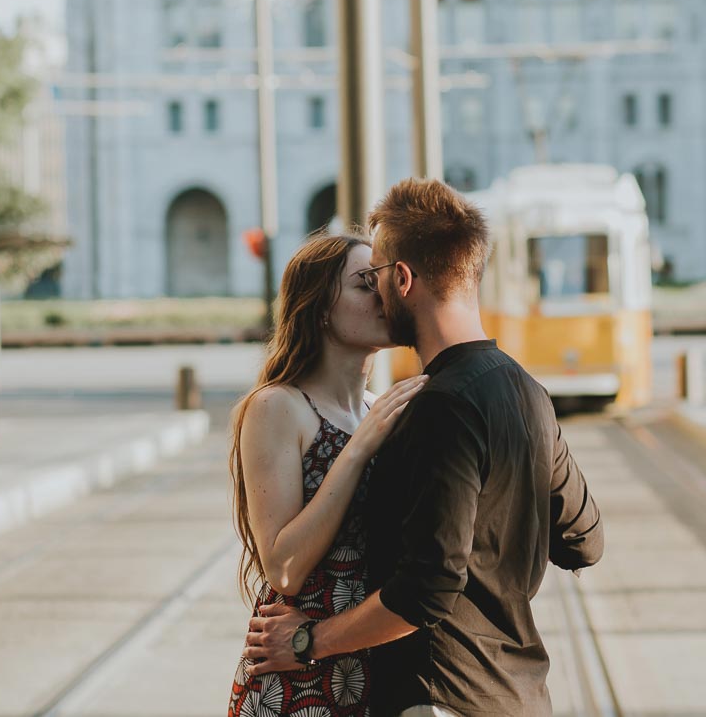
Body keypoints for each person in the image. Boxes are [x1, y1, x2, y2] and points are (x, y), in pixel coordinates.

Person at [244, 179, 605, 717]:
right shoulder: (528, 391)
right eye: (362, 282)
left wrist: (308, 641)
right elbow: (583, 541)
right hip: (515, 692)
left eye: (376, 276)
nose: (377, 293)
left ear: (403, 279)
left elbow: (427, 586)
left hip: (440, 694)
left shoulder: (436, 406)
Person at [228, 232, 430, 717]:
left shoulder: (378, 409)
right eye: (364, 285)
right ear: (319, 308)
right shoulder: (279, 406)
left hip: (370, 663)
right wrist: (358, 448)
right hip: (298, 676)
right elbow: (284, 568)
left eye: (384, 282)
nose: (384, 297)